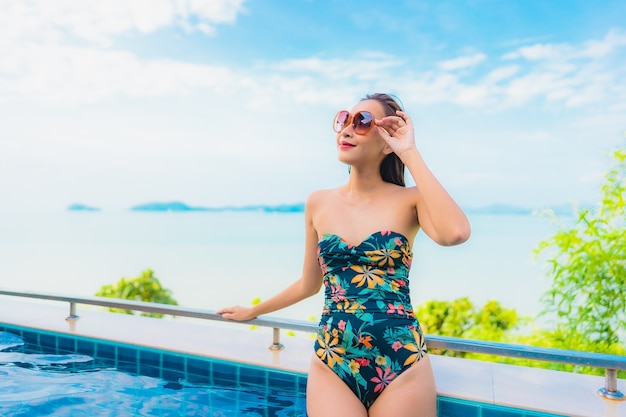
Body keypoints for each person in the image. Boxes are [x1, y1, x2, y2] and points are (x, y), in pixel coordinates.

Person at [218, 93, 471, 416]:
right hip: (333, 357)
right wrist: (253, 310)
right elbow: (309, 284)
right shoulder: (318, 203)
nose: (347, 130)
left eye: (362, 122)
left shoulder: (411, 200)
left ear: (386, 142)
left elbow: (456, 233)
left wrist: (409, 153)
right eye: (344, 120)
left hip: (400, 359)